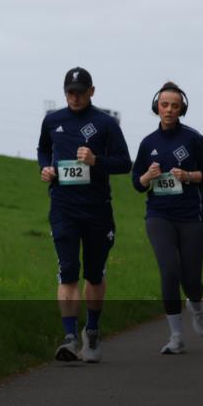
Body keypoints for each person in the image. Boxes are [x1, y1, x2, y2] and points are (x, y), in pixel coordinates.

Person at [37, 67, 132, 363]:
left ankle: (91, 330)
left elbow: (124, 163)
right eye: (69, 92)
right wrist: (46, 168)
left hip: (97, 209)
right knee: (67, 271)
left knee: (93, 273)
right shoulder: (53, 121)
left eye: (80, 92)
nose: (74, 97)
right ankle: (68, 338)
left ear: (92, 91)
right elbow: (43, 149)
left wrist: (96, 160)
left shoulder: (105, 123)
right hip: (63, 206)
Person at [131, 82, 203, 354]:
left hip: (193, 216)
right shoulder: (148, 143)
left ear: (182, 109)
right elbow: (137, 182)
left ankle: (196, 305)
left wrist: (190, 176)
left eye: (174, 105)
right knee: (169, 270)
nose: (169, 110)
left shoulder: (193, 139)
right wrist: (147, 177)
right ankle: (176, 336)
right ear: (156, 107)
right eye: (164, 104)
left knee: (191, 278)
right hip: (159, 215)